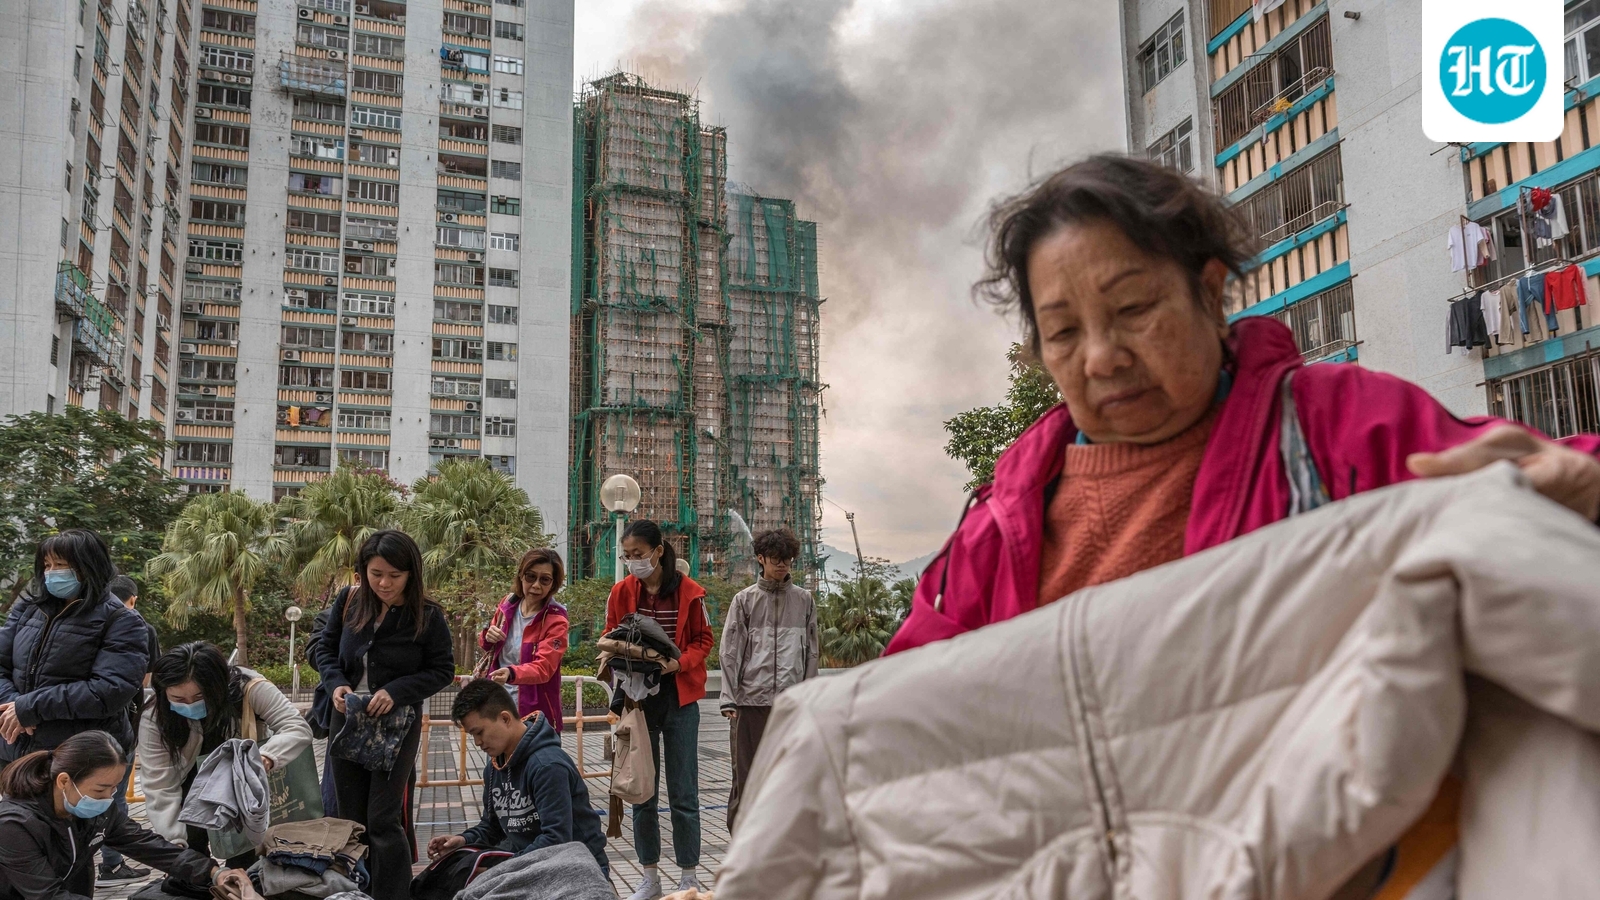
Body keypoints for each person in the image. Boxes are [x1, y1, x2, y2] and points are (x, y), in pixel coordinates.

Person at [886, 155, 1600, 894]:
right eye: (1064, 332)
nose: (1101, 357)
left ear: (1209, 291)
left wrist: (1585, 490)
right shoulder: (1003, 525)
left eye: (1133, 311)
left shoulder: (1339, 426)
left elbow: (1552, 487)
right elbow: (902, 727)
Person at [314, 530, 455, 900]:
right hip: (347, 721)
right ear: (363, 571)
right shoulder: (349, 600)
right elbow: (325, 651)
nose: (384, 583)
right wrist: (336, 685)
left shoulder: (427, 615)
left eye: (394, 575)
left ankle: (393, 894)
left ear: (411, 573)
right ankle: (357, 891)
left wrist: (395, 692)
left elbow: (441, 670)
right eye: (376, 574)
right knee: (352, 819)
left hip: (396, 726)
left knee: (383, 818)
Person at [0, 729, 251, 899]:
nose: (108, 797)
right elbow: (46, 895)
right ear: (64, 781)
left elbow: (146, 844)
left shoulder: (98, 811)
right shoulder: (14, 826)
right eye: (100, 788)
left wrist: (213, 872)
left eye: (114, 787)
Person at [605, 520, 714, 900]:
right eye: (628, 556)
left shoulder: (689, 592)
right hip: (639, 701)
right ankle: (649, 876)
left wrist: (679, 663)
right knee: (642, 790)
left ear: (659, 551)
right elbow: (609, 637)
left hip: (680, 699)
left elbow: (704, 640)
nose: (633, 562)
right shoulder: (621, 592)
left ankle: (688, 876)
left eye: (639, 554)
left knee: (684, 792)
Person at [138, 642, 314, 864]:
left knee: (247, 862)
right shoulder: (155, 716)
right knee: (191, 865)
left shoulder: (249, 687)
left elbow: (297, 728)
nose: (190, 705)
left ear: (217, 687)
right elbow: (159, 785)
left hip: (244, 790)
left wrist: (265, 757)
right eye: (179, 699)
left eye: (200, 696)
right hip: (190, 795)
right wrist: (176, 845)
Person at [423, 680, 607, 885]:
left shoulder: (547, 766)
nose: (477, 742)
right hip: (528, 865)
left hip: (578, 869)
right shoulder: (494, 766)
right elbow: (492, 827)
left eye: (479, 732)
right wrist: (463, 840)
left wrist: (497, 870)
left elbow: (556, 839)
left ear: (505, 718)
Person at [0, 530, 148, 768]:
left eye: (60, 564)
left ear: (89, 566)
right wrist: (14, 706)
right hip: (16, 751)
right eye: (47, 565)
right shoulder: (28, 609)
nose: (51, 573)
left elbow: (109, 690)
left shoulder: (121, 620)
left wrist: (31, 707)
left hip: (82, 758)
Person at [717, 527, 817, 832]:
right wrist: (728, 697)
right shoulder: (744, 600)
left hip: (790, 705)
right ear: (761, 558)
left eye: (787, 559)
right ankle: (741, 847)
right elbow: (730, 651)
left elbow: (812, 654)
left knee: (789, 777)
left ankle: (780, 845)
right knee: (746, 779)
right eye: (776, 559)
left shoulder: (804, 600)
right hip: (749, 704)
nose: (783, 564)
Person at [96, 574, 161, 887]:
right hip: (121, 725)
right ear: (133, 599)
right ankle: (111, 864)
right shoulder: (140, 626)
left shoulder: (89, 621)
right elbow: (146, 680)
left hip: (83, 727)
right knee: (114, 794)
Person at [478, 548, 570, 730]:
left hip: (536, 716)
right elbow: (488, 645)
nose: (536, 585)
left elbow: (544, 668)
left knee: (535, 759)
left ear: (553, 584)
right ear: (521, 576)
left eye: (544, 580)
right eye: (530, 576)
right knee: (497, 759)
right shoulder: (507, 604)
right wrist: (488, 636)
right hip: (499, 708)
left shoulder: (556, 619)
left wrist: (511, 673)